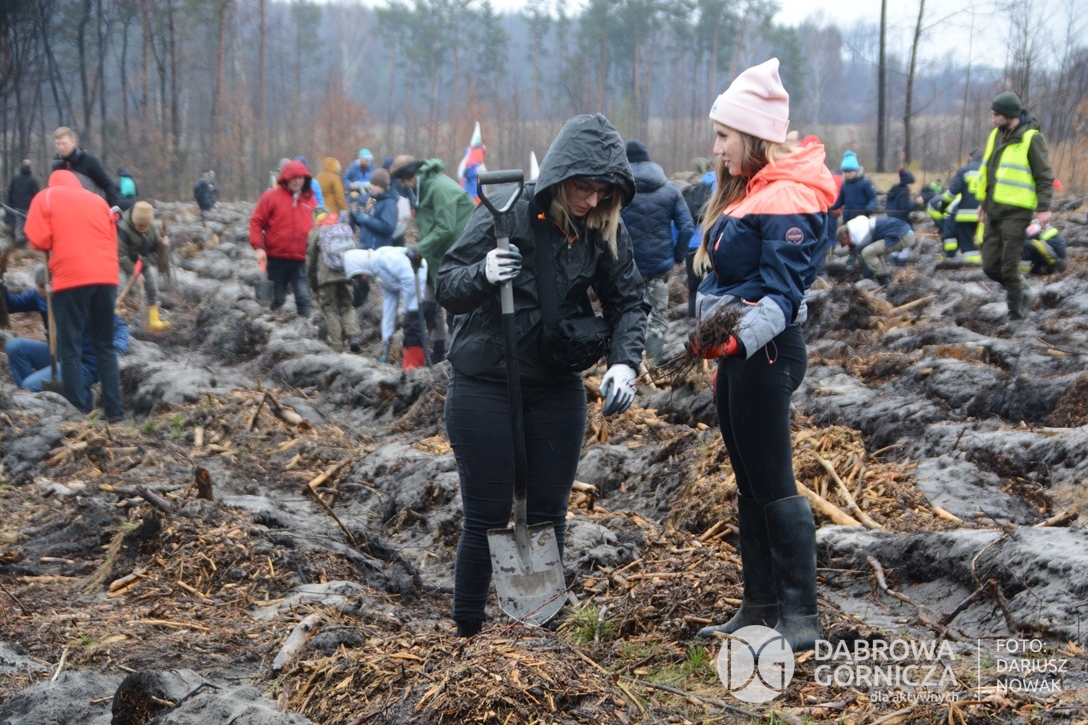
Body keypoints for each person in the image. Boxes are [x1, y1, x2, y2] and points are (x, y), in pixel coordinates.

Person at [435, 112, 648, 637]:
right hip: (486, 381)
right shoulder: (507, 211)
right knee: (487, 515)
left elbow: (628, 300)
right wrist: (484, 272)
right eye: (583, 188)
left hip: (555, 382)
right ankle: (466, 632)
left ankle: (540, 629)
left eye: (603, 192)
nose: (591, 200)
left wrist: (624, 361)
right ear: (560, 176)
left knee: (549, 515)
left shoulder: (601, 227)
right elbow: (447, 284)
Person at [691, 59, 836, 652]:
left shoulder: (787, 197)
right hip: (741, 357)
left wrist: (737, 339)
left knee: (774, 480)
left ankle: (800, 618)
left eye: (723, 136)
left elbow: (783, 294)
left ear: (752, 135)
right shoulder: (754, 193)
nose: (717, 148)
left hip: (767, 353)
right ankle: (760, 605)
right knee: (749, 482)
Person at [25, 169, 124, 421]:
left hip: (71, 279)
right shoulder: (98, 200)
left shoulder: (46, 197)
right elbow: (112, 238)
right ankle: (115, 411)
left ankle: (77, 412)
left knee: (70, 349)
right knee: (105, 346)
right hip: (107, 277)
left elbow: (39, 240)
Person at [978, 91, 1056, 321]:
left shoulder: (1031, 138)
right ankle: (1025, 291)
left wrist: (1043, 207)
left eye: (996, 115)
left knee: (1009, 266)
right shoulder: (996, 134)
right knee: (990, 267)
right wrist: (984, 202)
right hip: (994, 209)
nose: (992, 119)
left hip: (1018, 211)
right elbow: (991, 172)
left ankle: (1015, 316)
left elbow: (1044, 176)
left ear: (1009, 114)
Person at [394, 156, 475, 364]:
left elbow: (446, 227)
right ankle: (439, 350)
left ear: (412, 174)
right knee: (430, 305)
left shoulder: (438, 187)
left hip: (457, 254)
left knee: (455, 306)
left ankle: (457, 355)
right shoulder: (421, 188)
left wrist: (420, 249)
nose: (403, 185)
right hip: (437, 254)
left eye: (403, 180)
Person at [4, 266, 130, 398]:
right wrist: (2, 289)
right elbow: (11, 305)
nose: (46, 300)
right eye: (42, 296)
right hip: (58, 353)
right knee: (15, 347)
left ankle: (83, 398)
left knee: (29, 386)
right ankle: (33, 398)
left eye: (48, 296)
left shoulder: (85, 299)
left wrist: (117, 350)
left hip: (85, 362)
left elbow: (120, 326)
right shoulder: (39, 296)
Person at [621, 139, 694, 363]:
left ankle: (632, 363)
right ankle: (653, 365)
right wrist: (678, 256)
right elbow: (687, 227)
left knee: (630, 313)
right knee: (658, 314)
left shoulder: (620, 190)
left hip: (629, 266)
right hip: (661, 264)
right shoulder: (670, 188)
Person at [249, 159, 317, 318]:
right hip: (276, 259)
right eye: (293, 177)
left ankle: (305, 327)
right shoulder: (271, 196)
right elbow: (256, 222)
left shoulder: (310, 200)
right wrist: (258, 247)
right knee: (277, 299)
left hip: (301, 259)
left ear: (305, 179)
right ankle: (271, 325)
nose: (297, 181)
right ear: (285, 178)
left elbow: (318, 226)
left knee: (304, 298)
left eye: (300, 177)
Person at [343, 246, 428, 368]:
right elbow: (390, 303)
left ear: (361, 265)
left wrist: (407, 310)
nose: (362, 278)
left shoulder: (385, 258)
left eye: (359, 274)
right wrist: (386, 339)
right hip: (411, 286)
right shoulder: (379, 274)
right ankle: (410, 365)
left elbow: (410, 279)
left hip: (418, 278)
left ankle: (414, 366)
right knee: (409, 324)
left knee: (412, 325)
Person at [307, 208, 362, 352]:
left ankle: (336, 345)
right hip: (345, 273)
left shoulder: (316, 232)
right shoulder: (343, 228)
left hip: (326, 277)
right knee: (347, 306)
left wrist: (313, 284)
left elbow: (311, 262)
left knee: (329, 309)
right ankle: (353, 337)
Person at [116, 201, 170, 330]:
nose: (141, 227)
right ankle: (113, 316)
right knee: (119, 286)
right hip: (124, 263)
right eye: (139, 225)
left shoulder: (152, 229)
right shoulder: (124, 230)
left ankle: (153, 320)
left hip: (142, 261)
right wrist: (135, 272)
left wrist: (162, 244)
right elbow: (121, 255)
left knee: (152, 287)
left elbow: (155, 247)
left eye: (144, 225)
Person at [931, 148, 983, 263]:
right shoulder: (989, 169)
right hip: (984, 215)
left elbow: (952, 192)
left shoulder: (964, 170)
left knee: (968, 244)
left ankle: (970, 266)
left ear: (970, 157)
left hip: (966, 215)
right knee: (984, 241)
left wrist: (943, 206)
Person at [836, 215, 916, 286]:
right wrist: (850, 262)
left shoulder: (860, 234)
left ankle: (884, 281)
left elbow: (864, 258)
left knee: (867, 252)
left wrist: (867, 278)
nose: (847, 245)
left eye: (845, 243)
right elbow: (853, 249)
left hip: (903, 236)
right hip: (905, 232)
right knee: (874, 251)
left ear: (845, 237)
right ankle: (885, 279)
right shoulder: (857, 225)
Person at [51, 127, 121, 208]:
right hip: (70, 209)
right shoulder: (56, 164)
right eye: (58, 144)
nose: (61, 147)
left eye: (64, 144)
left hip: (94, 208)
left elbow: (107, 185)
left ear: (73, 143)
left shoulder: (88, 160)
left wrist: (114, 207)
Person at [682, 159, 715, 317]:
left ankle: (692, 320)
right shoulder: (722, 188)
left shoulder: (694, 191)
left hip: (692, 245)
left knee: (694, 289)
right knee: (716, 285)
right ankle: (712, 318)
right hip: (711, 244)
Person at [354, 169, 398, 250]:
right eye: (371, 184)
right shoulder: (376, 200)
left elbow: (388, 227)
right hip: (367, 247)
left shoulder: (389, 203)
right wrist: (356, 217)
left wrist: (367, 220)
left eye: (375, 185)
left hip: (377, 250)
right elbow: (372, 225)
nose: (371, 187)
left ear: (382, 186)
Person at [4, 159, 39, 247]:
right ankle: (23, 245)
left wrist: (9, 205)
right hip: (28, 208)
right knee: (27, 227)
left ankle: (18, 244)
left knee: (18, 227)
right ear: (30, 168)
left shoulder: (15, 178)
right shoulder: (33, 180)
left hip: (15, 208)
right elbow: (37, 195)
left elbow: (10, 192)